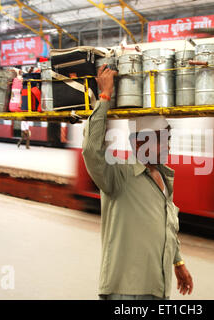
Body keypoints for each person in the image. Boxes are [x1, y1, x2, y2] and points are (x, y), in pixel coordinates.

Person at [83, 65, 193, 300]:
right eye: (162, 140)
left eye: (168, 139)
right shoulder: (118, 176)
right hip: (126, 291)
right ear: (139, 143)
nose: (168, 146)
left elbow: (167, 226)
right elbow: (91, 151)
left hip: (158, 287)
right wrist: (104, 98)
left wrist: (178, 261)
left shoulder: (164, 178)